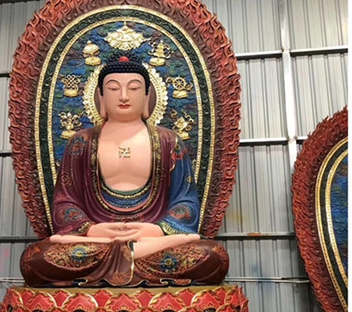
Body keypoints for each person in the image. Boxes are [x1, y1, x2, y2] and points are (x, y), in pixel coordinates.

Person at [21, 54, 229, 286]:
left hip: (151, 241)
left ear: (147, 96)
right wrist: (92, 230)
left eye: (134, 88)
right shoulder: (81, 143)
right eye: (113, 88)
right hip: (98, 242)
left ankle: (123, 256)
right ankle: (128, 254)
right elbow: (65, 203)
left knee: (213, 256)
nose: (123, 96)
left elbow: (186, 202)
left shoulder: (169, 141)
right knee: (35, 259)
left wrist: (157, 231)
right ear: (100, 96)